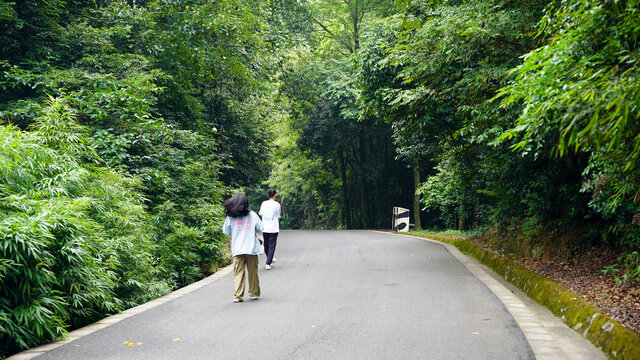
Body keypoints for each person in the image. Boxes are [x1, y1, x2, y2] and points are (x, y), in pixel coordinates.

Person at [222, 194, 263, 303]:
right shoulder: (252, 215)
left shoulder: (230, 217)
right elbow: (260, 228)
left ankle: (238, 296)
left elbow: (226, 231)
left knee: (238, 273)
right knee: (253, 272)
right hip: (251, 248)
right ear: (246, 204)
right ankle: (254, 293)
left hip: (237, 249)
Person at [259, 189, 281, 270]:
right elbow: (278, 215)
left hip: (266, 227)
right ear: (275, 195)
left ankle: (268, 263)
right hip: (273, 227)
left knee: (267, 246)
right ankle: (270, 259)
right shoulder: (277, 204)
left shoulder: (264, 203)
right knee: (270, 246)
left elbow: (260, 213)